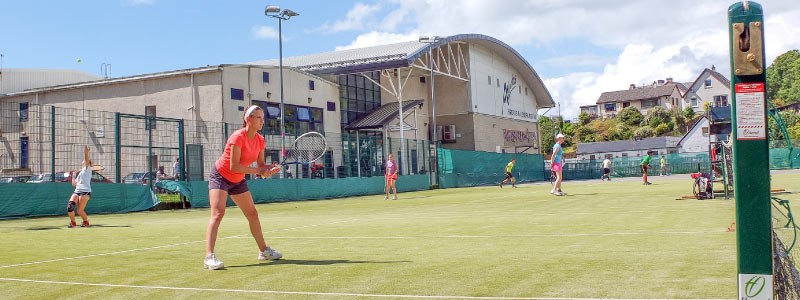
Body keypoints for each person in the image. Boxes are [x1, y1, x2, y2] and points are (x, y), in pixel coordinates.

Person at [204, 105, 282, 270]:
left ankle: (263, 251)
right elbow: (234, 166)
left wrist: (268, 170)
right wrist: (259, 171)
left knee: (253, 214)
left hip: (238, 180)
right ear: (249, 119)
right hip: (221, 176)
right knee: (218, 214)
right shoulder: (237, 137)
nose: (262, 121)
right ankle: (209, 257)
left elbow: (260, 165)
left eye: (263, 118)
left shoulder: (260, 139)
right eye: (259, 117)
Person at [67, 146, 93, 228]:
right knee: (70, 207)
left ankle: (86, 221)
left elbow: (86, 159)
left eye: (85, 161)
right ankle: (73, 222)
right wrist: (73, 176)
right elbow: (74, 184)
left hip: (85, 192)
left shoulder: (88, 169)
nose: (83, 162)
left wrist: (86, 152)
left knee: (79, 211)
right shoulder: (81, 173)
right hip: (77, 191)